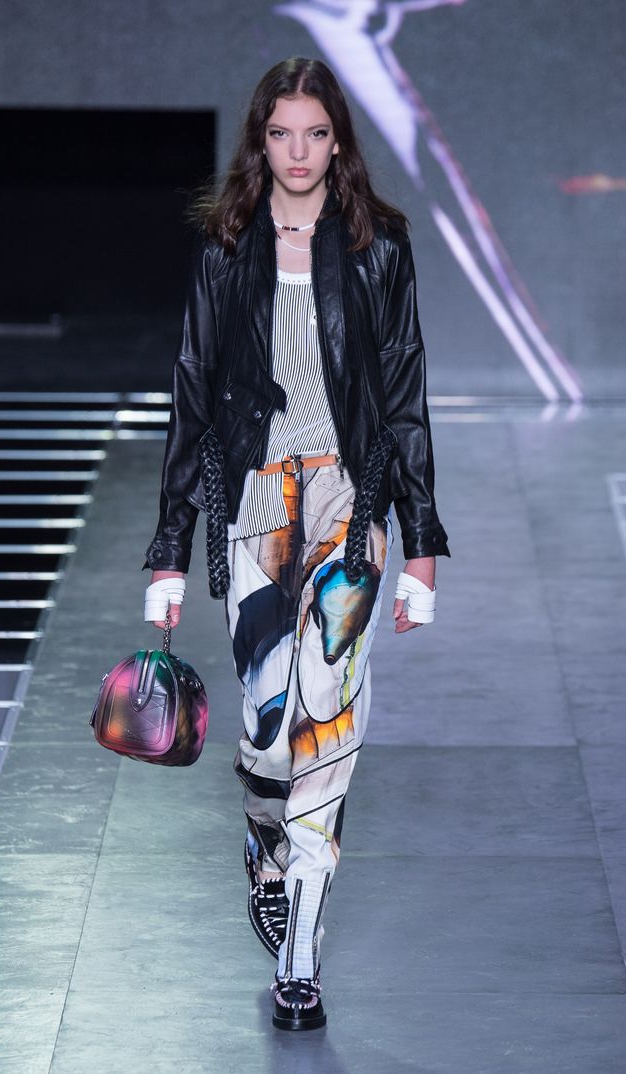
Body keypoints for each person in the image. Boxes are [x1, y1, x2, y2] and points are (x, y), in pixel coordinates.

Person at [141, 56, 450, 1031]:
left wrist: (422, 542)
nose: (300, 152)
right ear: (260, 140)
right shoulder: (227, 246)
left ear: (338, 140)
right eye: (282, 133)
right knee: (271, 728)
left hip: (350, 506)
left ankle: (301, 956)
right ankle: (264, 838)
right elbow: (192, 390)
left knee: (329, 717)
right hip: (255, 506)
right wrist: (168, 547)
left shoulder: (377, 246)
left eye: (316, 133)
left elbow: (403, 392)